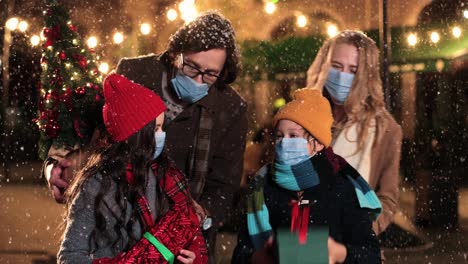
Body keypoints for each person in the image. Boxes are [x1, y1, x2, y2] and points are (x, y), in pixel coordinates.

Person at [44, 11, 248, 261]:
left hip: (181, 246)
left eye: (210, 74)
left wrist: (196, 217)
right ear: (175, 53)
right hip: (116, 226)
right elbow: (86, 137)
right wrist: (56, 166)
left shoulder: (230, 107)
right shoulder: (134, 72)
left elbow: (224, 188)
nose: (198, 79)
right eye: (191, 66)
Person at [58, 74, 207, 263]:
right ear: (134, 136)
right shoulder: (95, 186)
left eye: (162, 127)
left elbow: (192, 234)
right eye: (155, 129)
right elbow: (70, 257)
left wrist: (191, 258)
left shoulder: (166, 175)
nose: (162, 135)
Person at [232, 88, 382, 263]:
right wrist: (261, 256)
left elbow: (371, 255)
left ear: (317, 143)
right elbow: (240, 254)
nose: (284, 143)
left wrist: (338, 252)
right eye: (279, 136)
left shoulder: (342, 185)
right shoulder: (263, 184)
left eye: (293, 136)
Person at [306, 30, 402, 236]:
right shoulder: (302, 116)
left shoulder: (385, 129)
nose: (343, 76)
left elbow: (387, 199)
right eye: (336, 66)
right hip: (299, 242)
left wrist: (362, 229)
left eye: (353, 70)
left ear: (365, 76)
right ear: (324, 66)